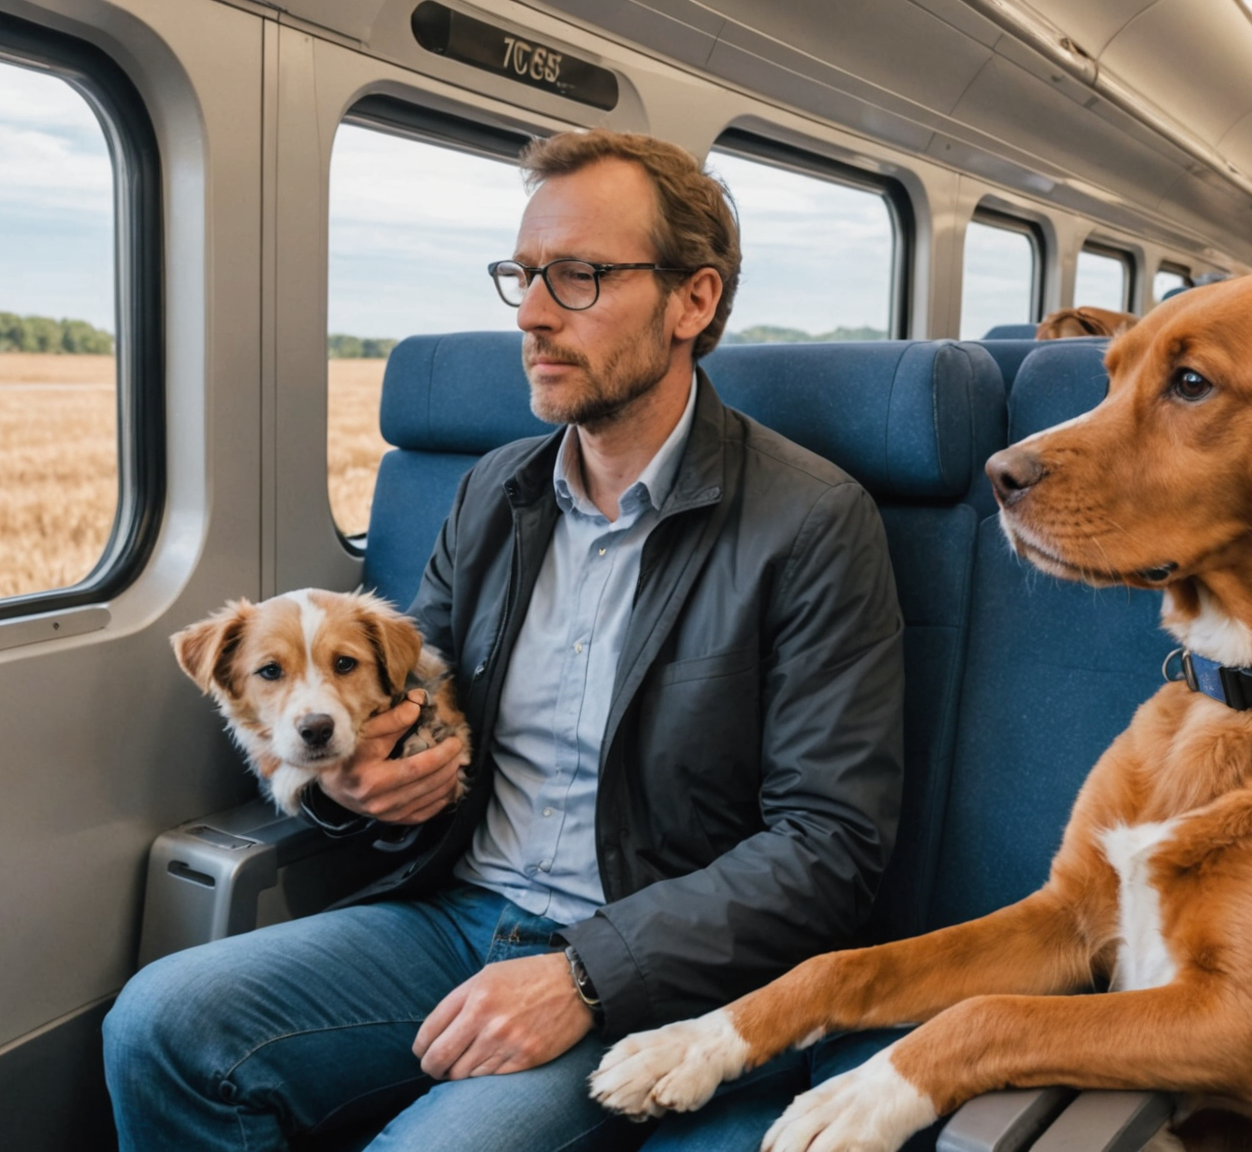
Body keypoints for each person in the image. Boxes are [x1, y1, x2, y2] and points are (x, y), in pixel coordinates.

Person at [103, 128, 905, 1152]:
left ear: (692, 303)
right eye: (523, 276)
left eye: (578, 277)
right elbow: (405, 703)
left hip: (646, 969)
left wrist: (586, 973)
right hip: (453, 914)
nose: (530, 315)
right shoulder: (497, 491)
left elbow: (828, 848)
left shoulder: (810, 523)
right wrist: (362, 787)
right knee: (159, 1027)